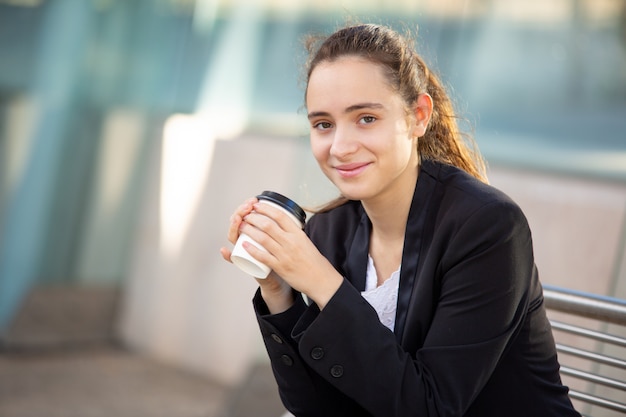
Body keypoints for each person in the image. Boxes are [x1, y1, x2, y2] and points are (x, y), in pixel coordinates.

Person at [220, 23, 581, 417]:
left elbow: (431, 408)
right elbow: (316, 406)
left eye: (366, 118)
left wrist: (320, 279)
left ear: (418, 116)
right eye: (323, 124)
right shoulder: (330, 230)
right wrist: (278, 290)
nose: (340, 147)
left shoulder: (488, 227)